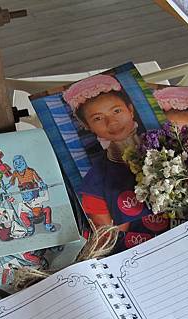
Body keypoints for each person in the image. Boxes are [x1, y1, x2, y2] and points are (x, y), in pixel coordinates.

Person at [63, 74, 151, 230]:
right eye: (98, 118)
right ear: (87, 126)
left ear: (130, 110)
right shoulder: (95, 184)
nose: (112, 122)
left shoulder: (170, 145)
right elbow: (112, 237)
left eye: (117, 111)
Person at [9, 155, 56, 235]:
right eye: (16, 163)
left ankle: (48, 225)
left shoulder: (30, 171)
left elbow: (38, 179)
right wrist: (7, 187)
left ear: (24, 162)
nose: (18, 165)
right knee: (23, 213)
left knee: (46, 209)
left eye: (20, 162)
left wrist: (43, 185)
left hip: (33, 190)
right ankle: (30, 227)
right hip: (26, 198)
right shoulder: (15, 173)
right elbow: (11, 182)